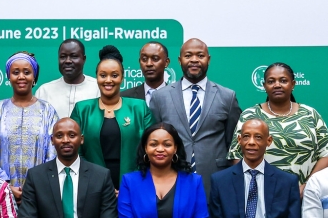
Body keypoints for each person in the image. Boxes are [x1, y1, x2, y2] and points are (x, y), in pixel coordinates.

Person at [148, 38, 241, 194]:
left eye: (200, 55)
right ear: (179, 60)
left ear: (208, 59)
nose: (194, 60)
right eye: (188, 55)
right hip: (171, 177)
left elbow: (233, 143)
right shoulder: (160, 97)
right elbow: (153, 141)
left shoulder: (227, 96)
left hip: (215, 179)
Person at [228, 62, 328, 193]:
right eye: (271, 81)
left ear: (293, 84)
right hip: (262, 194)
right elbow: (236, 155)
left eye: (283, 80)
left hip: (307, 195)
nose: (277, 85)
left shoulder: (310, 114)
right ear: (264, 86)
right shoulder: (250, 116)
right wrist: (255, 188)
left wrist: (307, 187)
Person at [71, 46, 155, 189]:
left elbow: (151, 149)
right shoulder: (82, 109)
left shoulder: (139, 108)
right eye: (103, 75)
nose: (108, 80)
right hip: (92, 187)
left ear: (122, 78)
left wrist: (129, 185)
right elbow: (74, 152)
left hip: (134, 186)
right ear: (96, 77)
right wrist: (95, 182)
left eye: (114, 75)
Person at [0, 52, 59, 201]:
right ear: (9, 77)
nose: (21, 77)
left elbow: (54, 152)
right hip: (1, 195)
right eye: (15, 72)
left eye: (27, 72)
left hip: (40, 194)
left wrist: (36, 185)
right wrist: (5, 186)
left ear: (34, 77)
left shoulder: (47, 111)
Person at [34, 39, 100, 118]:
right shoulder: (44, 91)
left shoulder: (98, 88)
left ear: (84, 59)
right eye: (63, 57)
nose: (68, 61)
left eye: (74, 56)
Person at [121, 41, 171, 107]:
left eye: (155, 59)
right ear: (139, 62)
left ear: (166, 62)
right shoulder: (125, 98)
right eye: (144, 59)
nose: (149, 64)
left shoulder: (177, 97)